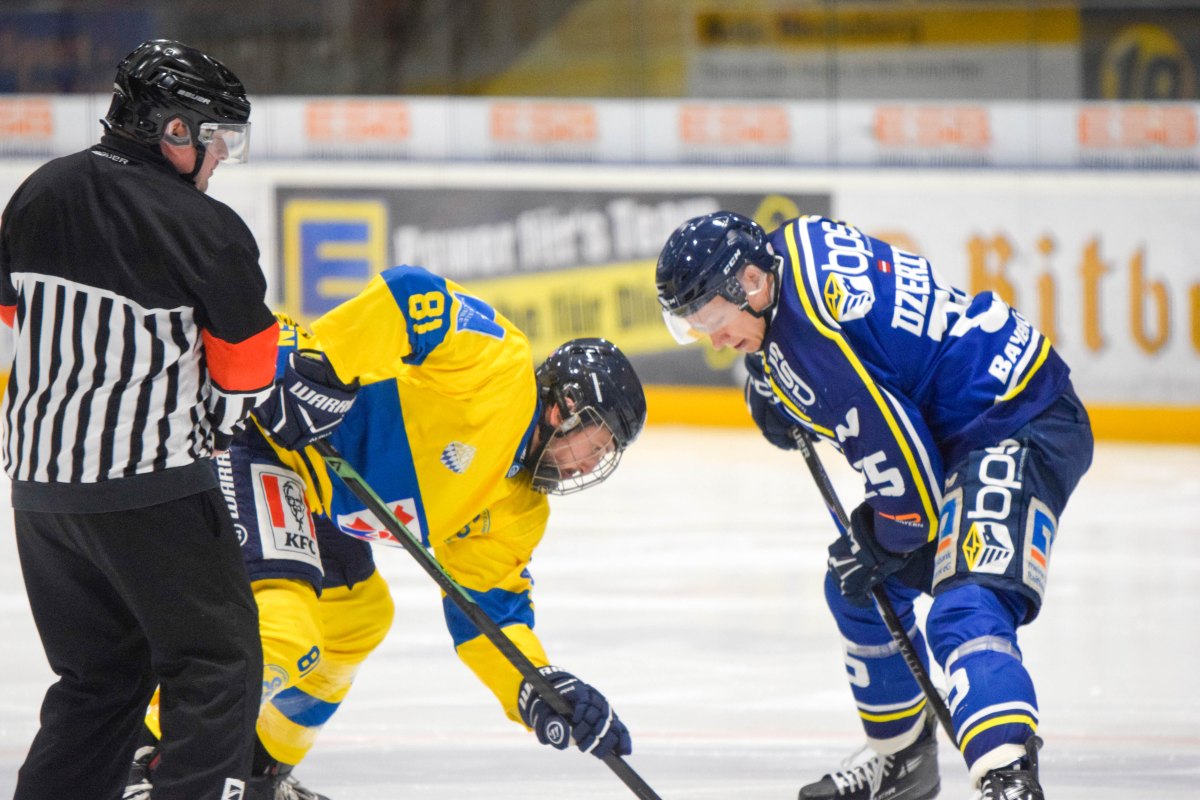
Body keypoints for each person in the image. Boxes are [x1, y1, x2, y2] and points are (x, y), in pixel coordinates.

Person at [126, 263, 647, 799]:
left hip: (319, 494)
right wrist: (323, 367)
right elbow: (412, 295)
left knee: (357, 618)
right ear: (564, 407)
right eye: (598, 441)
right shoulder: (500, 367)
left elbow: (489, 619)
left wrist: (538, 688)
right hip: (267, 430)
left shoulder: (520, 510)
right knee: (286, 627)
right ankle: (146, 759)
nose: (591, 464)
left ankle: (260, 772)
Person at [655, 211, 1093, 800]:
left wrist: (885, 536)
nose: (712, 337)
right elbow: (867, 343)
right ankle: (903, 759)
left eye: (712, 317)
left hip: (1017, 419)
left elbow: (910, 500)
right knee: (858, 586)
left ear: (753, 285)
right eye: (695, 325)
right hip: (973, 411)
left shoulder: (813, 346)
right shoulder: (788, 244)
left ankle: (1008, 773)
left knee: (966, 603)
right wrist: (773, 376)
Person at [0, 39, 278, 800]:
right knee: (217, 666)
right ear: (173, 130)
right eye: (215, 135)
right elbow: (249, 361)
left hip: (40, 494)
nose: (221, 154)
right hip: (149, 487)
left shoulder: (37, 191)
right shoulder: (203, 225)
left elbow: (7, 317)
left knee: (100, 679)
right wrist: (220, 416)